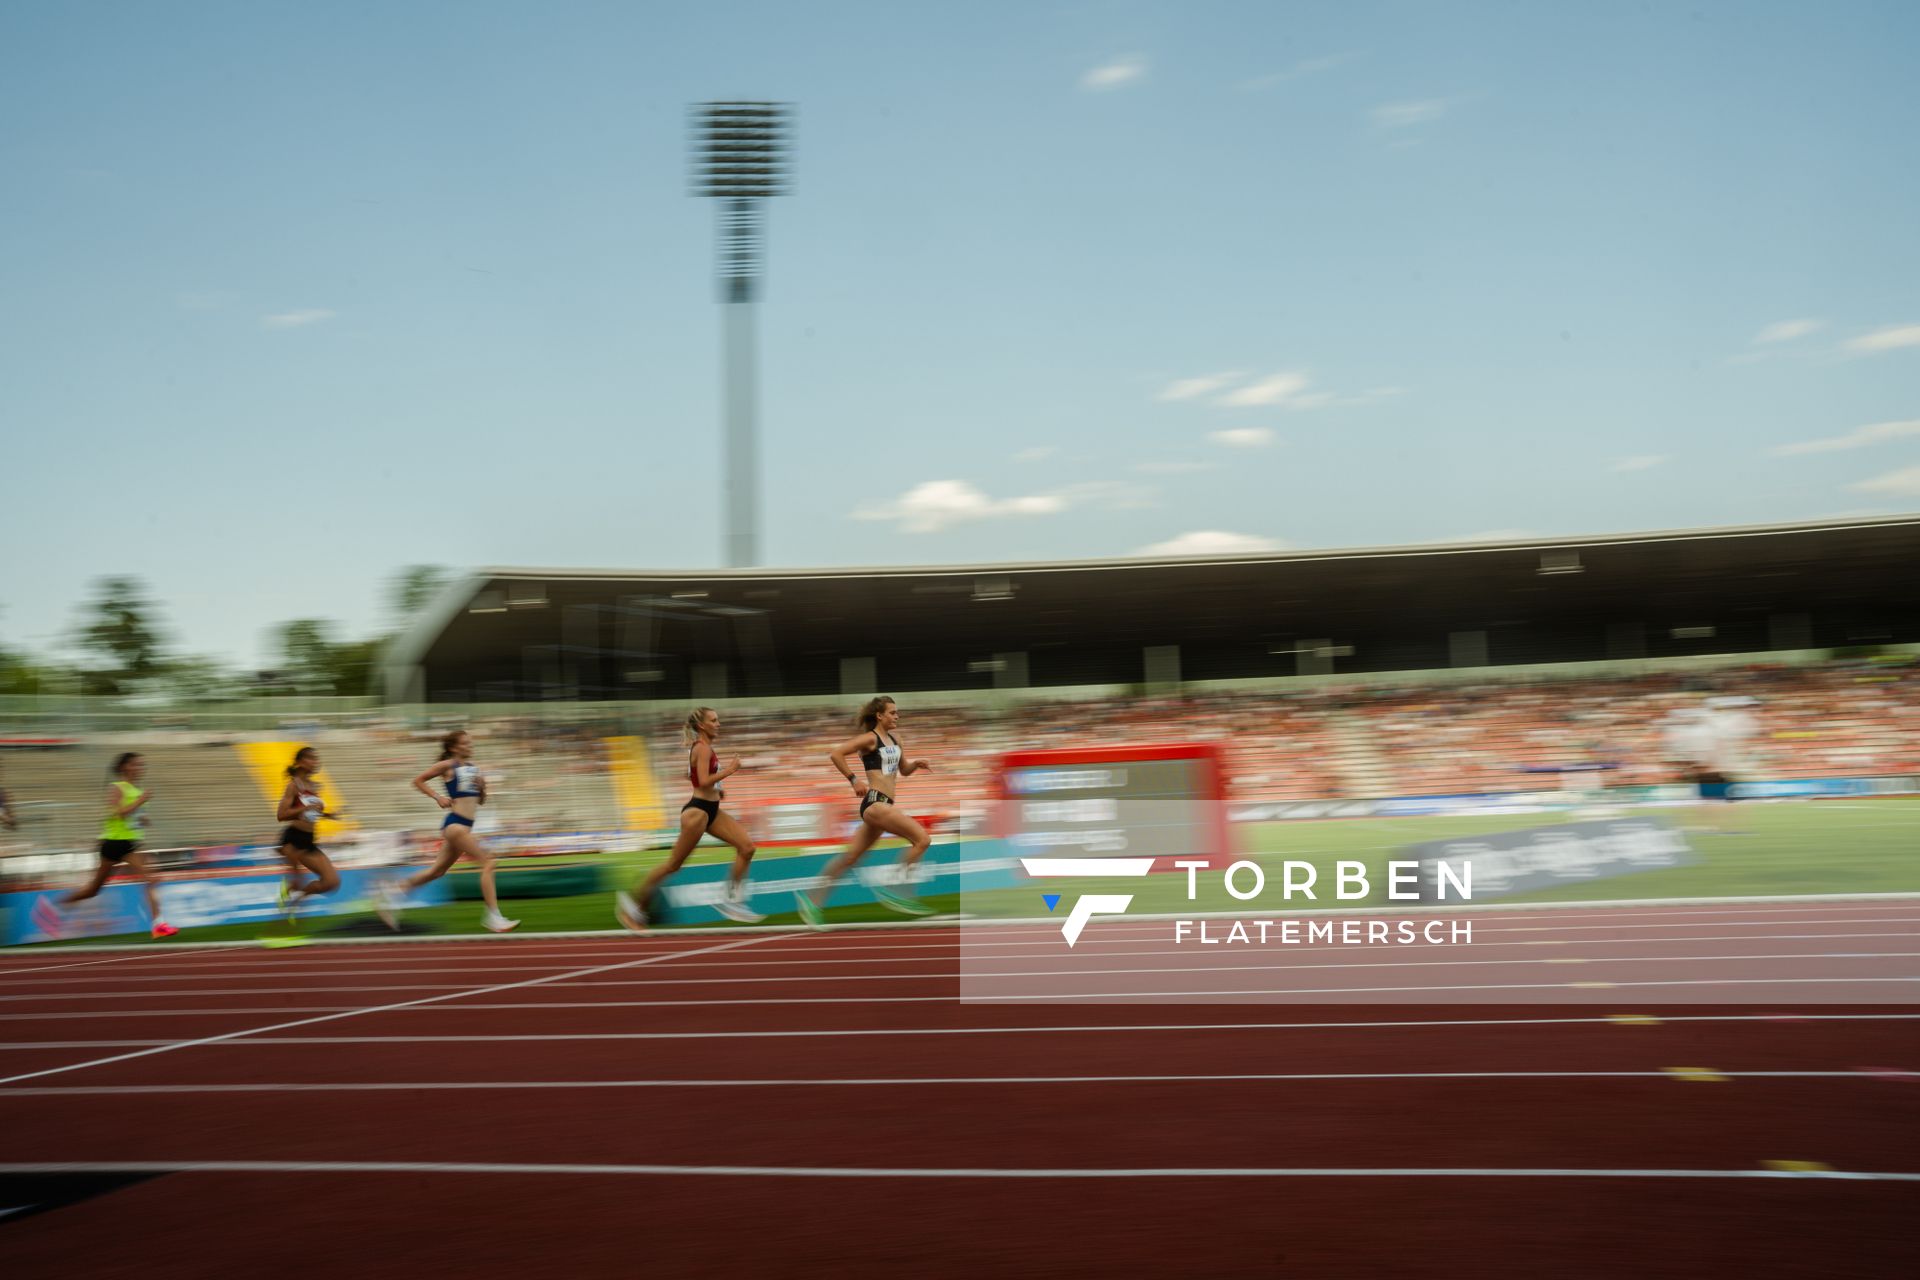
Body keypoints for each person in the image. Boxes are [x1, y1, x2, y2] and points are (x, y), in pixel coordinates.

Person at [797, 696, 937, 927]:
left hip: (883, 805)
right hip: (874, 803)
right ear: (879, 716)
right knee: (922, 839)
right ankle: (896, 889)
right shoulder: (869, 739)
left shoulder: (896, 739)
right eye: (892, 713)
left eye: (897, 712)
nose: (897, 716)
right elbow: (836, 754)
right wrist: (853, 780)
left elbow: (903, 771)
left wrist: (916, 764)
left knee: (850, 858)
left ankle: (811, 900)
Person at [617, 706, 762, 931]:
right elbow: (702, 781)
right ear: (702, 725)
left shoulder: (702, 748)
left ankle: (732, 902)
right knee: (673, 865)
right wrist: (730, 770)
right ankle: (634, 909)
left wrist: (718, 788)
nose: (719, 723)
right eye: (714, 720)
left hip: (711, 810)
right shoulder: (702, 749)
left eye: (718, 720)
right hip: (698, 812)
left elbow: (692, 775)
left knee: (747, 847)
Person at [385, 729, 519, 933]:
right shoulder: (448, 765)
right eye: (466, 743)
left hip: (464, 826)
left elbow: (480, 801)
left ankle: (393, 893)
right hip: (455, 825)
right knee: (489, 861)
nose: (470, 746)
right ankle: (493, 917)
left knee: (437, 872)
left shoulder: (474, 769)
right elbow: (418, 781)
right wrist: (438, 796)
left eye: (470, 742)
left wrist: (483, 788)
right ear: (454, 747)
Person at [53, 752, 177, 939]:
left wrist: (143, 820)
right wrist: (141, 801)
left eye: (142, 765)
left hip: (131, 844)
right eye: (135, 765)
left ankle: (159, 925)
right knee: (93, 890)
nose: (140, 768)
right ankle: (60, 904)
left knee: (151, 879)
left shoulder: (137, 790)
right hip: (113, 843)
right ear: (124, 767)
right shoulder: (117, 788)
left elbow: (132, 817)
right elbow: (119, 814)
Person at [276, 746, 343, 917]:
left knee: (332, 882)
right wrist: (303, 809)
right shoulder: (293, 786)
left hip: (309, 840)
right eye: (311, 758)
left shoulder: (314, 785)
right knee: (299, 881)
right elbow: (281, 815)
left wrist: (328, 815)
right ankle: (290, 899)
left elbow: (311, 813)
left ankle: (297, 898)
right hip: (293, 840)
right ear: (299, 762)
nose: (316, 762)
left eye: (316, 758)